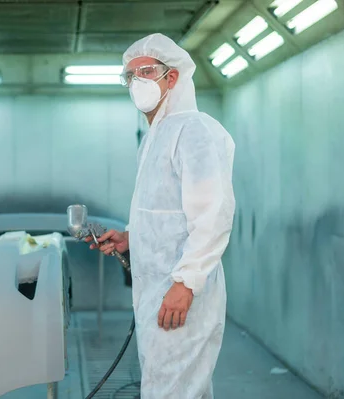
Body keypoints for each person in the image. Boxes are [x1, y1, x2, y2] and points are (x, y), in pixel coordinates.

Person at [87, 33, 236, 398]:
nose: (136, 81)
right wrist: (129, 238)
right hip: (157, 290)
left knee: (171, 390)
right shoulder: (155, 136)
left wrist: (185, 284)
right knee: (176, 388)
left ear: (172, 78)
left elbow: (213, 214)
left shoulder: (195, 130)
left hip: (181, 290)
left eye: (146, 71)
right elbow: (165, 213)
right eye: (130, 75)